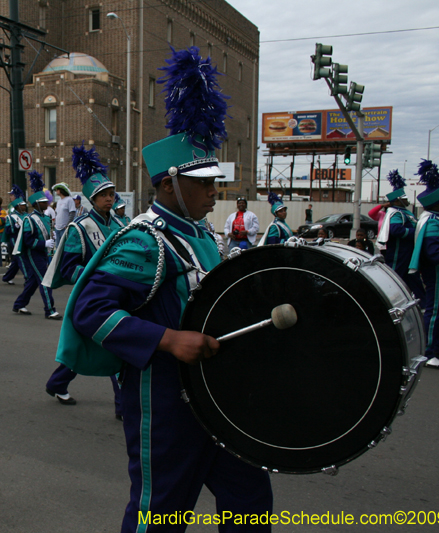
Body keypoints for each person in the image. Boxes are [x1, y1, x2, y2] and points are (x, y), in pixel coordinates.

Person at [55, 46, 272, 532]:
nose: (214, 192)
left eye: (214, 182)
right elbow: (90, 310)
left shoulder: (201, 233)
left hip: (219, 397)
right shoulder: (144, 240)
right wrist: (168, 340)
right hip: (167, 404)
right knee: (161, 514)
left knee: (251, 502)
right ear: (170, 184)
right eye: (203, 183)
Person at [42, 143, 126, 412]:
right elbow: (68, 269)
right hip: (91, 296)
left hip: (119, 295)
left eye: (112, 194)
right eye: (104, 195)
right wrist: (97, 276)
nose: (110, 199)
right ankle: (123, 406)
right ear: (93, 198)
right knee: (108, 346)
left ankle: (57, 383)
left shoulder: (120, 225)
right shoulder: (80, 228)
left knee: (105, 346)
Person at [409, 160, 439, 371]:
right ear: (437, 203)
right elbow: (434, 254)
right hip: (438, 273)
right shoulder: (433, 221)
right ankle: (428, 353)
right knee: (436, 312)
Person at [12, 170, 59, 318]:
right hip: (33, 253)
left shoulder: (45, 217)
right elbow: (28, 241)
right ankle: (50, 310)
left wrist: (51, 239)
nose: (47, 203)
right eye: (44, 202)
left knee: (33, 281)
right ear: (37, 204)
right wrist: (44, 243)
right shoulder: (30, 219)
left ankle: (19, 304)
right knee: (45, 280)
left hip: (43, 252)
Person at [375, 170, 424, 300]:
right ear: (397, 201)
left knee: (412, 278)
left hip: (408, 253)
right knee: (395, 280)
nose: (407, 200)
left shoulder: (404, 212)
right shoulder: (396, 213)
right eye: (404, 198)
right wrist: (416, 233)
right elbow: (396, 230)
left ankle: (422, 302)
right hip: (399, 253)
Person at [1, 186, 26, 285]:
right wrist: (15, 227)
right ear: (18, 206)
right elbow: (8, 230)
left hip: (23, 239)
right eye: (22, 205)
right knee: (21, 259)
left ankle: (7, 277)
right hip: (15, 240)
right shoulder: (11, 216)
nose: (24, 207)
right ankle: (28, 277)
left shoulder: (26, 215)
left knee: (16, 261)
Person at [52, 183, 76, 249]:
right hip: (57, 227)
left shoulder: (69, 200)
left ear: (61, 190)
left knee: (64, 246)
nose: (56, 191)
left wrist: (68, 225)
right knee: (57, 247)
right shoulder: (59, 201)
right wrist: (55, 224)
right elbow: (57, 213)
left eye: (57, 189)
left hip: (64, 228)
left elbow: (72, 213)